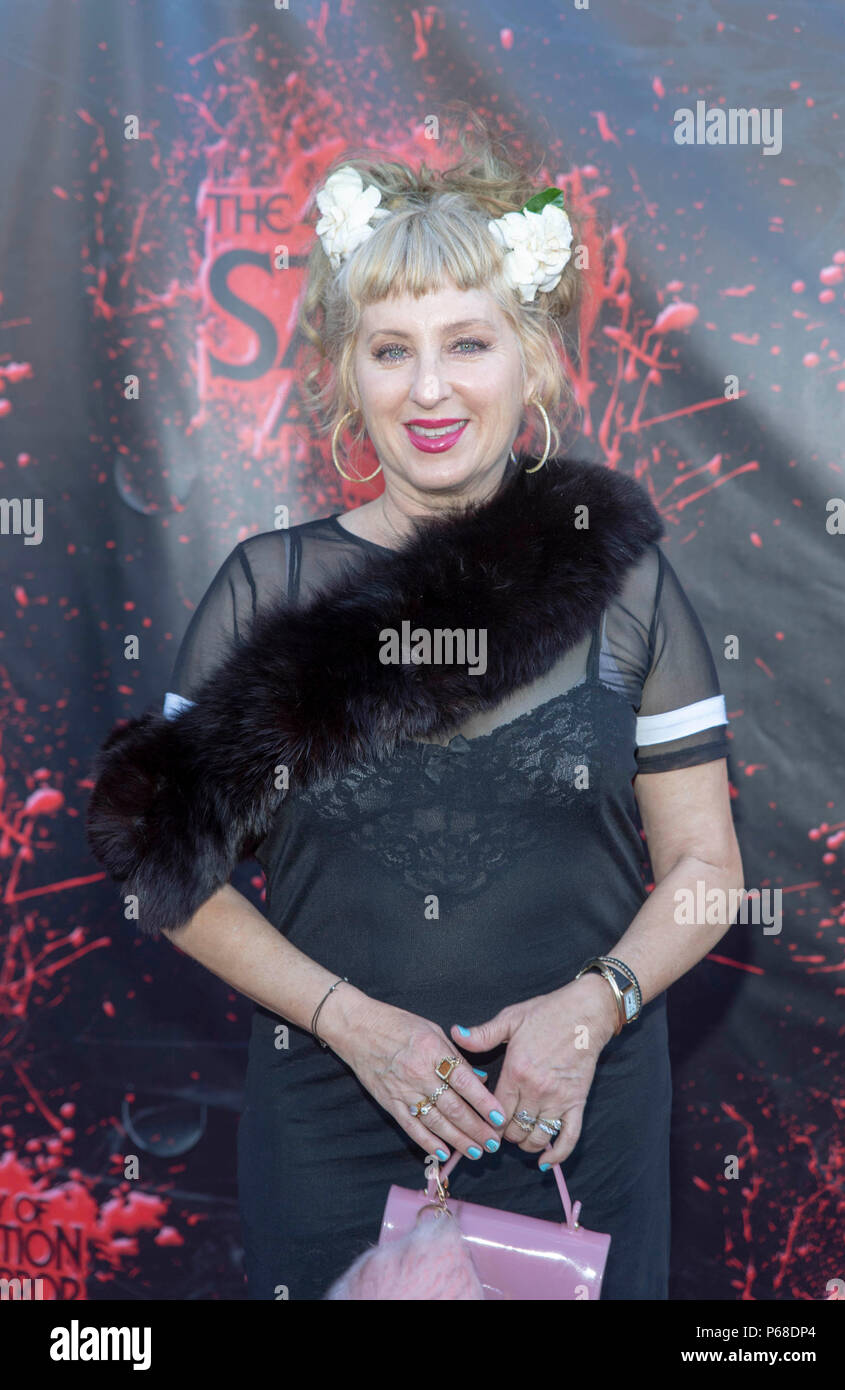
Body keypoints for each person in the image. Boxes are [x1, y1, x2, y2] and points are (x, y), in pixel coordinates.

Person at [87, 122, 743, 1301]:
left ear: (531, 362)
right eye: (391, 349)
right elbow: (161, 873)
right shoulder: (266, 588)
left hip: (574, 1134)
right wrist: (353, 1022)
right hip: (335, 1131)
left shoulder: (620, 578)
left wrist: (594, 1006)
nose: (429, 388)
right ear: (347, 375)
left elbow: (704, 867)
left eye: (467, 344)